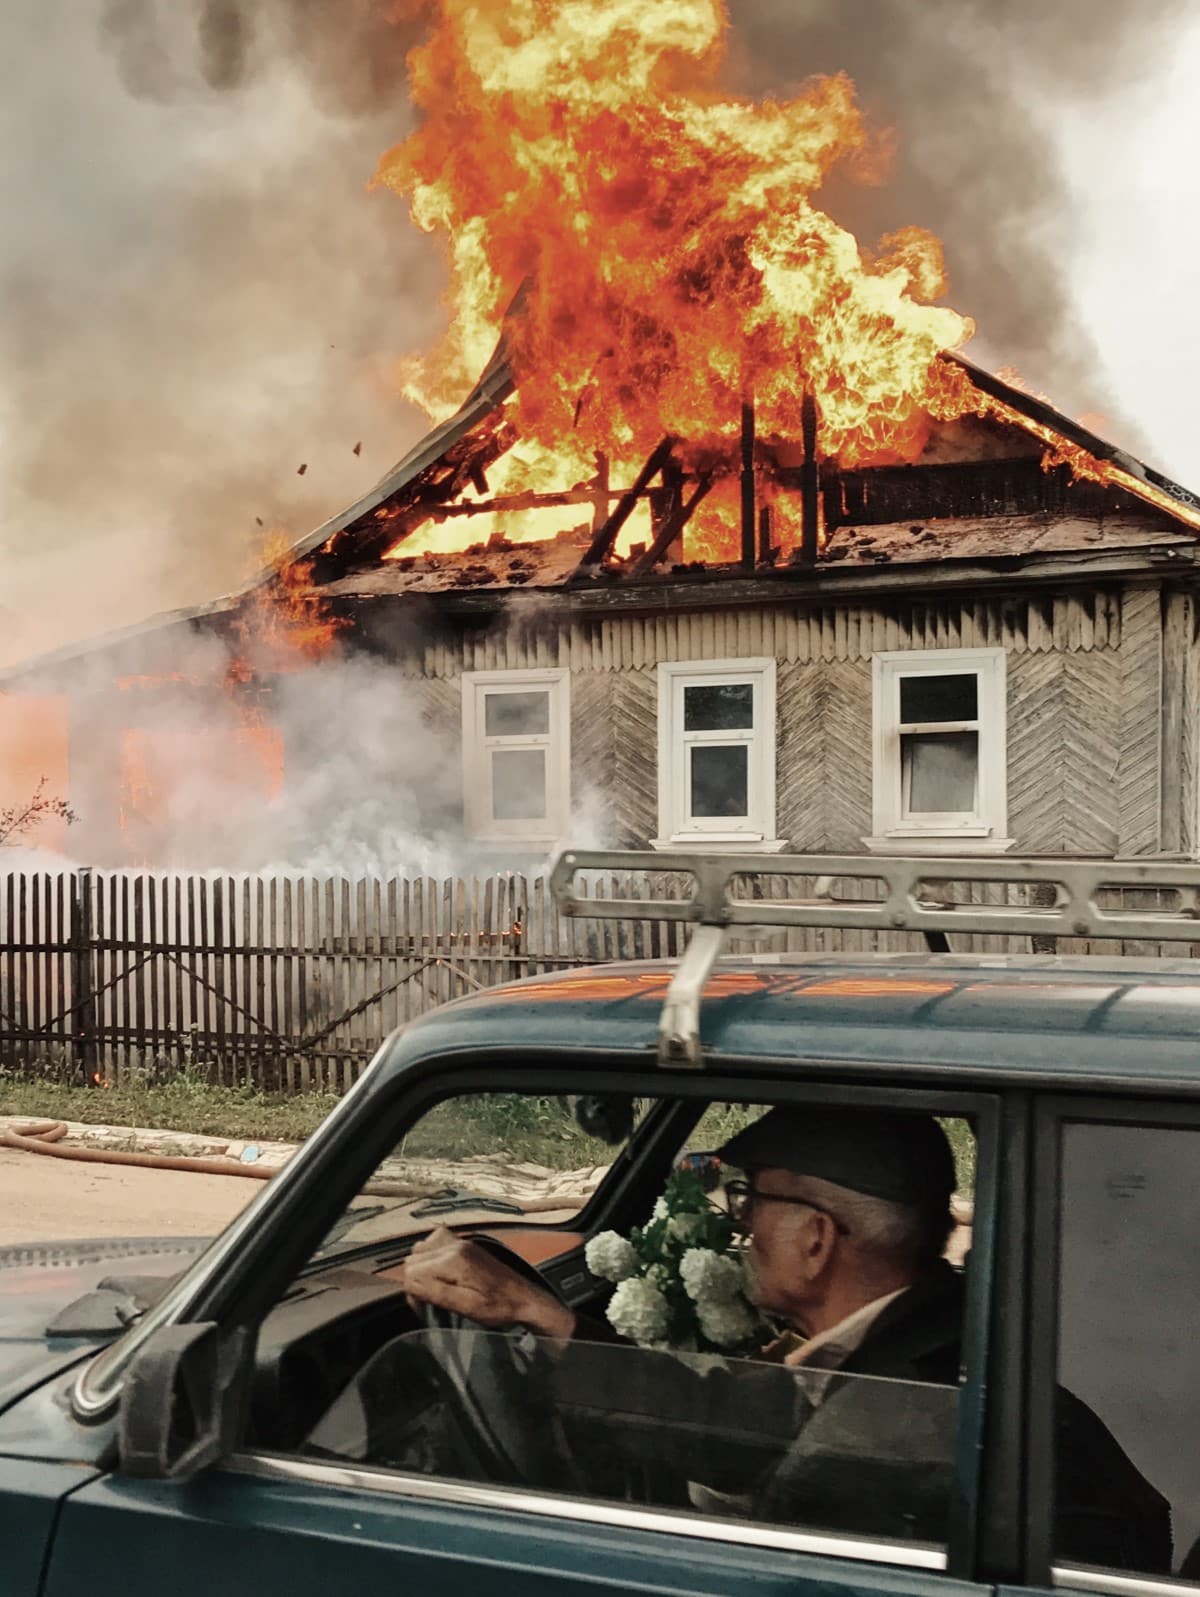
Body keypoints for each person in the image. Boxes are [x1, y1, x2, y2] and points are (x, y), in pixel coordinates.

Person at [396, 1105, 1172, 1569]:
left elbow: (766, 1474)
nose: (740, 1220)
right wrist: (547, 1319)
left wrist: (545, 1320)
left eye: (753, 1199)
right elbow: (744, 1426)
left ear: (816, 1238)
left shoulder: (909, 1404)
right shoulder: (918, 1334)